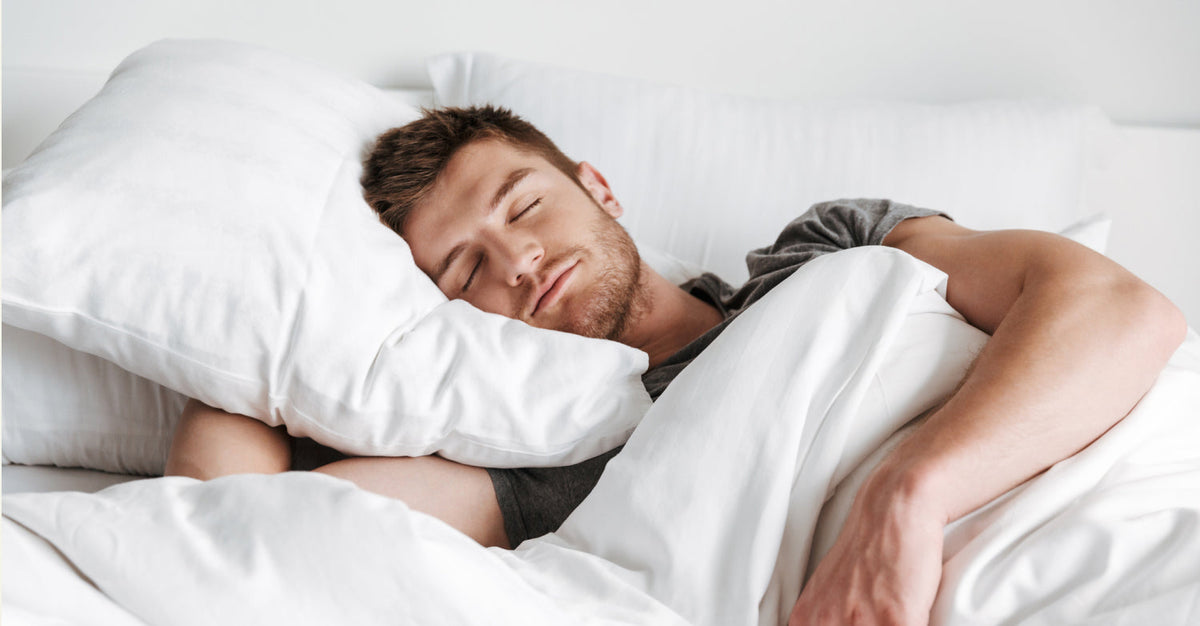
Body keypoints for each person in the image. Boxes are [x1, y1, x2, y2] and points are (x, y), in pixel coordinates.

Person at [166, 105, 1186, 625]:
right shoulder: (549, 469)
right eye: (464, 266)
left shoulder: (824, 253)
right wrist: (263, 317)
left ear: (597, 185)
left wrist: (907, 495)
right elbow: (227, 526)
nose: (519, 260)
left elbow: (1115, 308)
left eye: (523, 206)